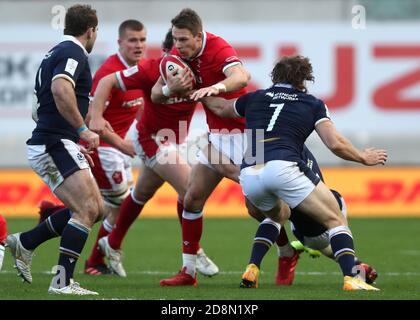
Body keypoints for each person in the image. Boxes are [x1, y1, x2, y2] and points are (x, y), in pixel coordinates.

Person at [201, 55, 387, 291]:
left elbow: (222, 107)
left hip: (250, 173)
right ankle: (352, 278)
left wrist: (198, 92)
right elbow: (335, 143)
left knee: (275, 217)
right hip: (284, 168)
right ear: (305, 79)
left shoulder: (255, 98)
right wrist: (362, 157)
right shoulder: (312, 103)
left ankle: (252, 268)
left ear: (274, 77)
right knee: (335, 219)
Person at [88, 29, 219, 278]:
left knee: (141, 194)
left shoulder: (198, 72)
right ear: (167, 55)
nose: (178, 66)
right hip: (151, 139)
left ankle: (110, 245)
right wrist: (95, 116)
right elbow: (107, 82)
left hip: (174, 140)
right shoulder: (152, 68)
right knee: (191, 191)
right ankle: (194, 254)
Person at [6, 4, 103, 295]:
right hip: (52, 143)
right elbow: (61, 89)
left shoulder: (55, 53)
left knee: (96, 209)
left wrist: (70, 141)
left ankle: (26, 242)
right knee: (85, 209)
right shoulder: (73, 52)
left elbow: (39, 107)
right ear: (91, 30)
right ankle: (62, 281)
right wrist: (81, 131)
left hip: (56, 141)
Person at [150, 8, 250, 287]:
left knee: (258, 208)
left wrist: (214, 88)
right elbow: (156, 94)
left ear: (198, 36)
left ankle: (285, 249)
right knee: (192, 198)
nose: (177, 46)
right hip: (216, 135)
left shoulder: (219, 48)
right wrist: (171, 89)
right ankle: (188, 272)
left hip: (246, 135)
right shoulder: (176, 59)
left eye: (182, 40)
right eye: (175, 40)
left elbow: (241, 77)